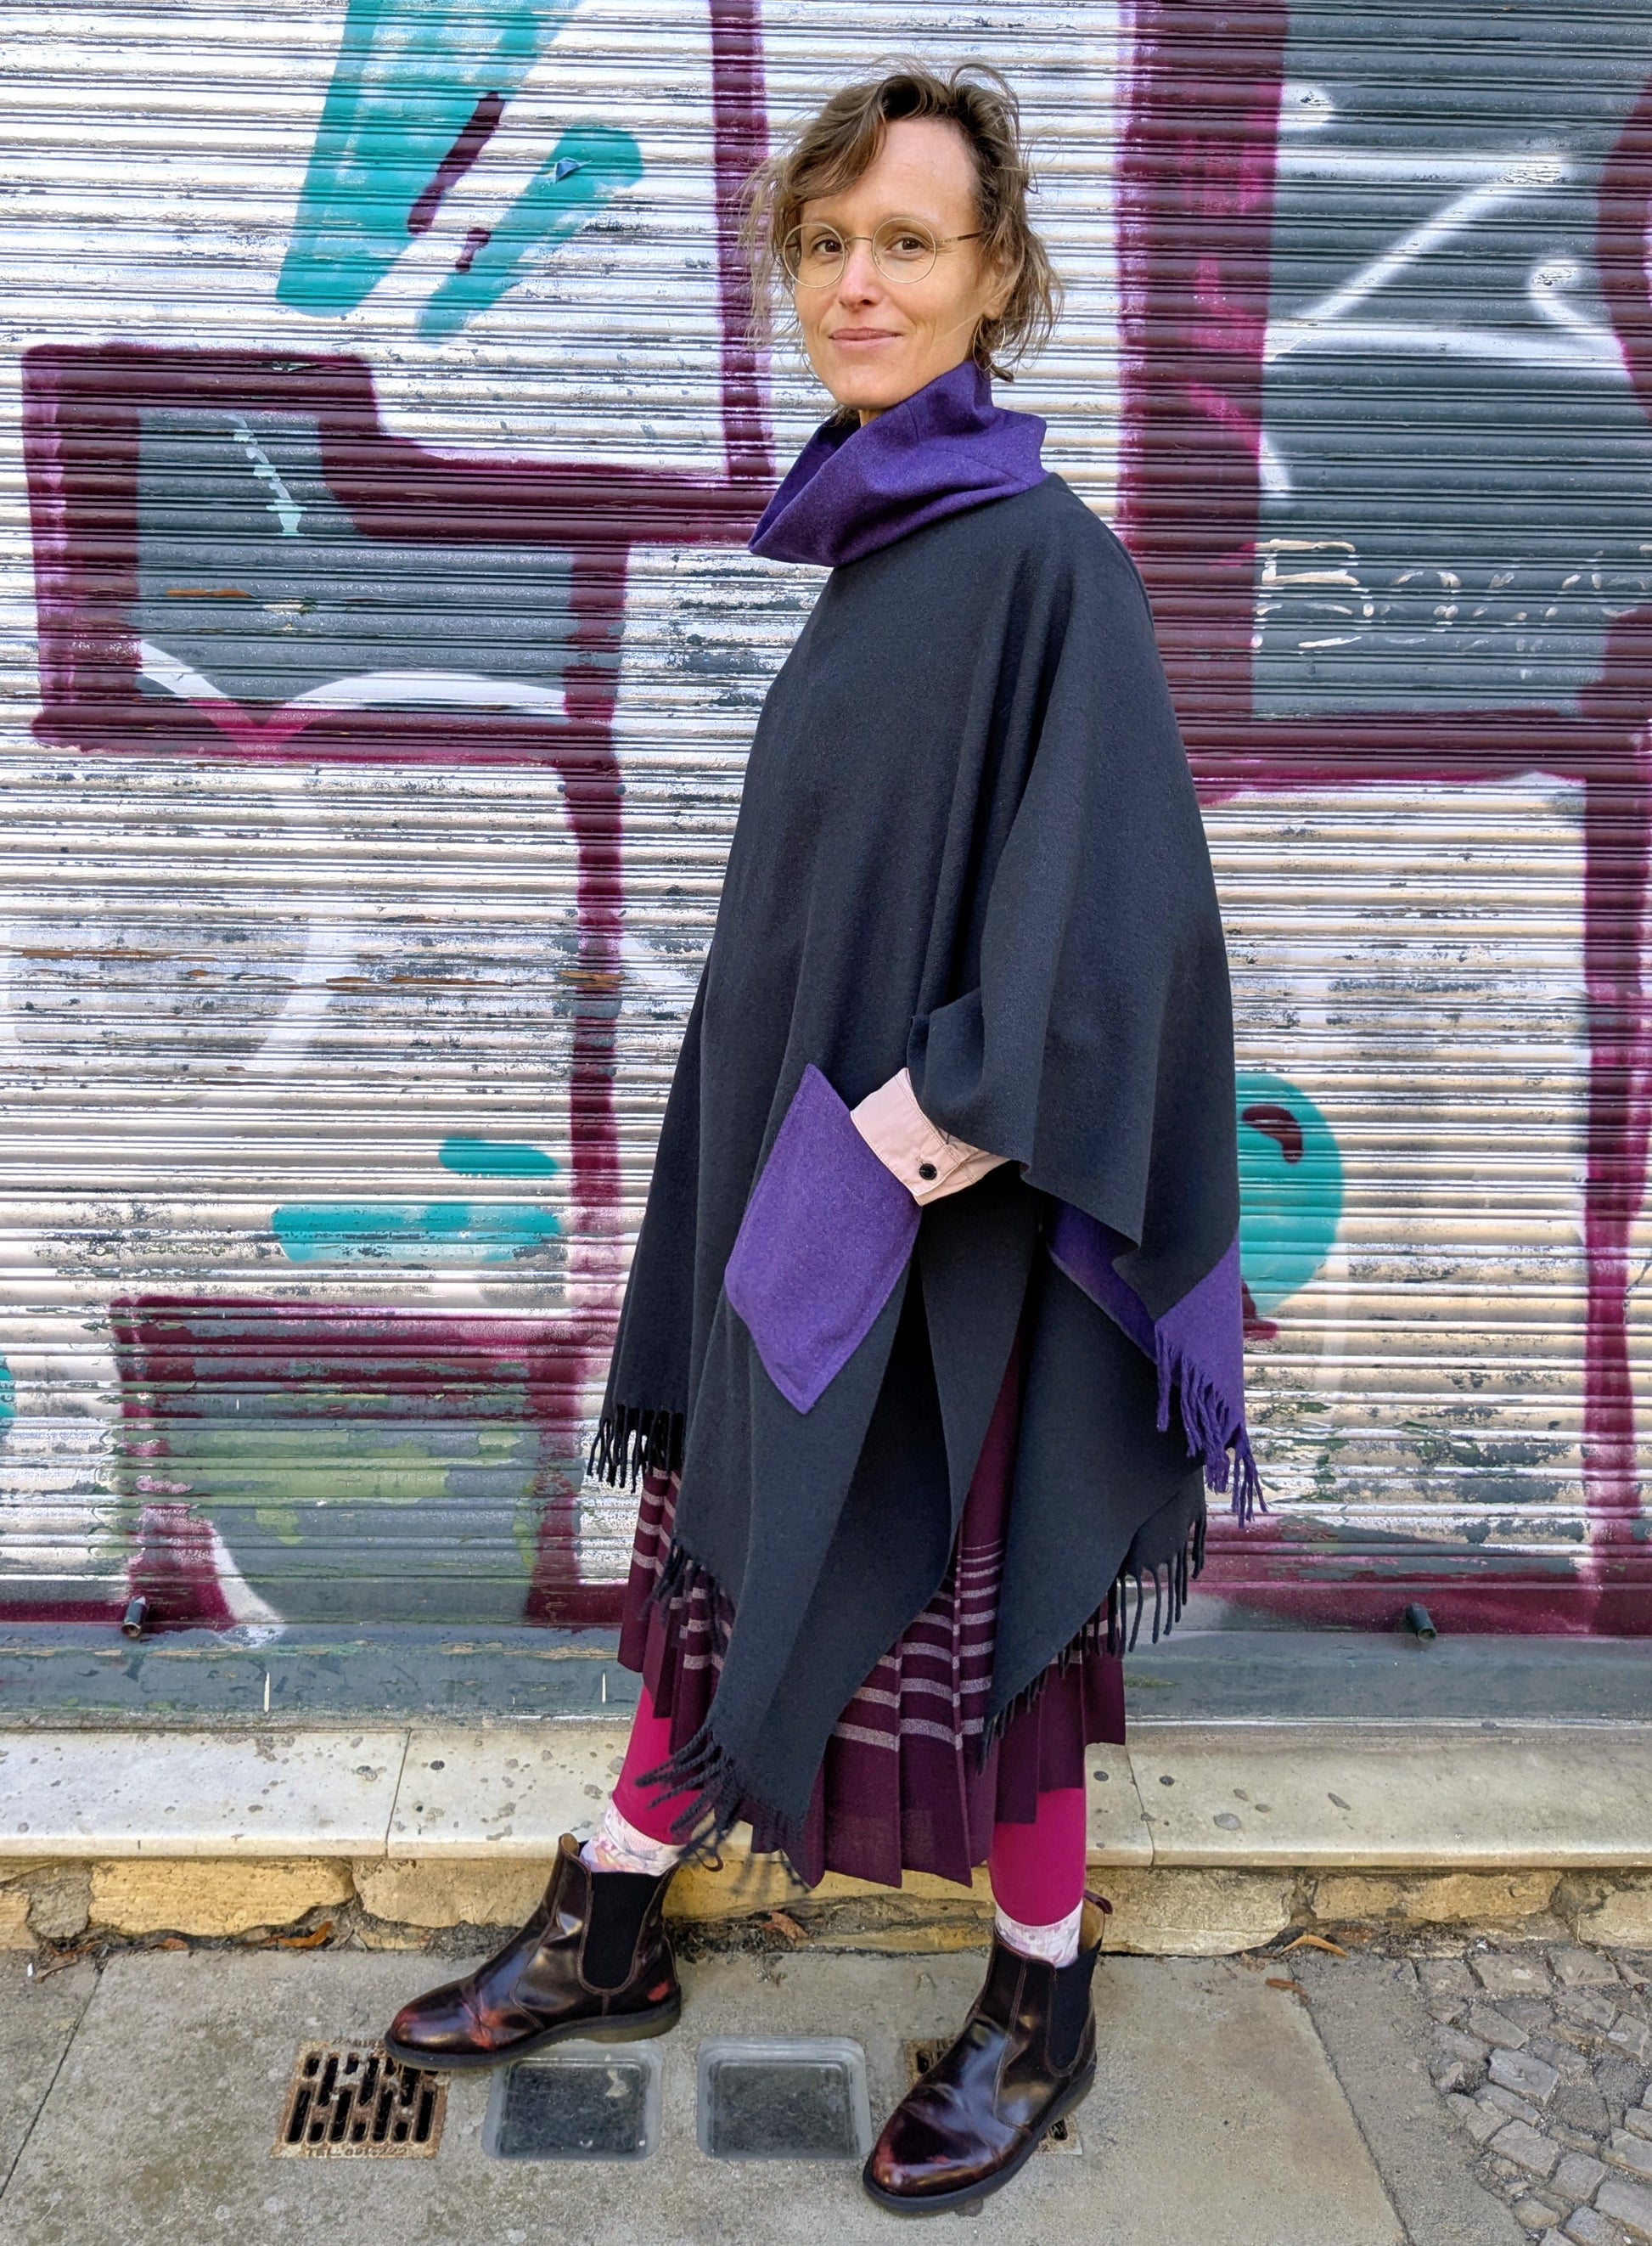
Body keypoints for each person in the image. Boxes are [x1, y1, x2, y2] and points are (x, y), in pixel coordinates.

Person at [386, 59, 1253, 2215]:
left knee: (987, 1617)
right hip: (807, 1192)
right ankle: (612, 1919)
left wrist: (906, 1137)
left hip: (948, 1231)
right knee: (724, 1550)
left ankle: (1038, 1999)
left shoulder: (1045, 565)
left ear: (998, 278)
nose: (856, 283)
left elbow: (1121, 929)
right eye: (827, 241)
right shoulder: (881, 546)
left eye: (909, 244)